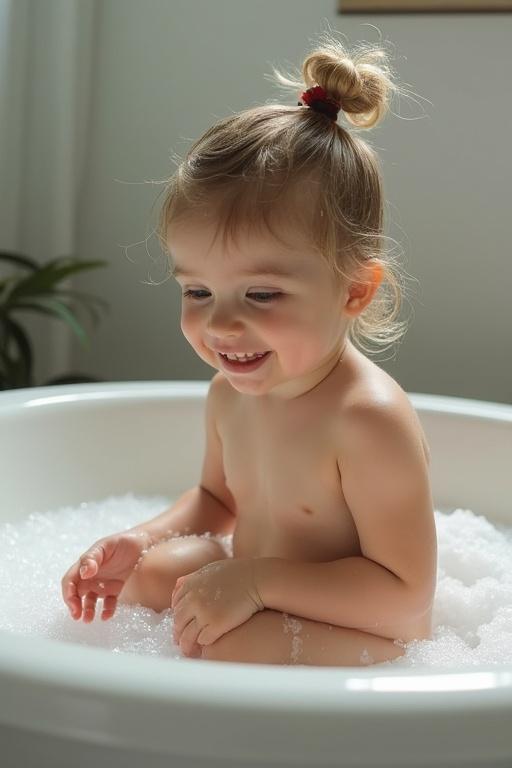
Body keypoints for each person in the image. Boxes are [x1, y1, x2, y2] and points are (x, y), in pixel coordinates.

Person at [61, 31, 437, 667]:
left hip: (360, 623)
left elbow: (408, 604)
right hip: (262, 580)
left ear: (354, 291)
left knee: (224, 642)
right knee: (151, 577)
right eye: (199, 290)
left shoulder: (366, 420)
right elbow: (219, 503)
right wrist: (140, 538)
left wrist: (257, 583)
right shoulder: (228, 393)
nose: (222, 326)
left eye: (261, 295)